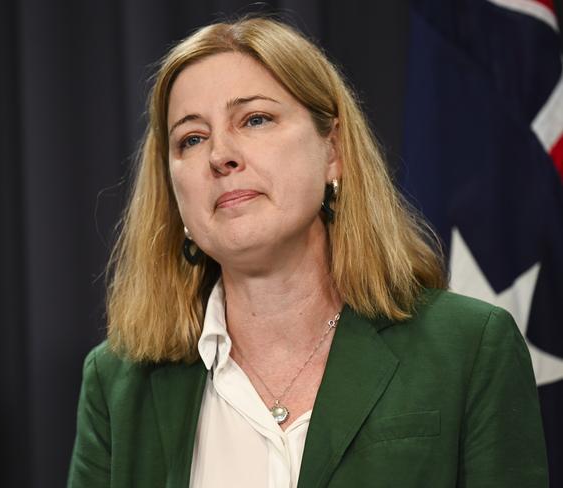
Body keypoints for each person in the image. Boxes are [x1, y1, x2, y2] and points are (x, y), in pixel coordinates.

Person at [67, 15, 548, 488]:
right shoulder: (116, 384)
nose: (220, 155)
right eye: (191, 138)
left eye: (255, 119)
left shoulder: (469, 347)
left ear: (333, 150)